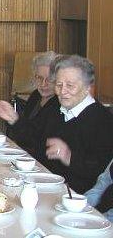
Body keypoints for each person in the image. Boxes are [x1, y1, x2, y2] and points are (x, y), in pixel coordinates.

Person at [35, 55, 113, 193]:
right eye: (59, 85)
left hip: (80, 199)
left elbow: (102, 174)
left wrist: (69, 156)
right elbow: (37, 143)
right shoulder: (56, 109)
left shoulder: (103, 120)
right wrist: (15, 120)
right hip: (47, 186)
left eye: (70, 86)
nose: (63, 91)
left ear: (88, 87)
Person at [0, 51, 60, 154]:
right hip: (24, 154)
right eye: (39, 78)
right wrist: (11, 118)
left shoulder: (60, 104)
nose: (43, 84)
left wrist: (14, 119)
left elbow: (39, 140)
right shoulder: (36, 95)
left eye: (49, 79)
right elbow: (24, 129)